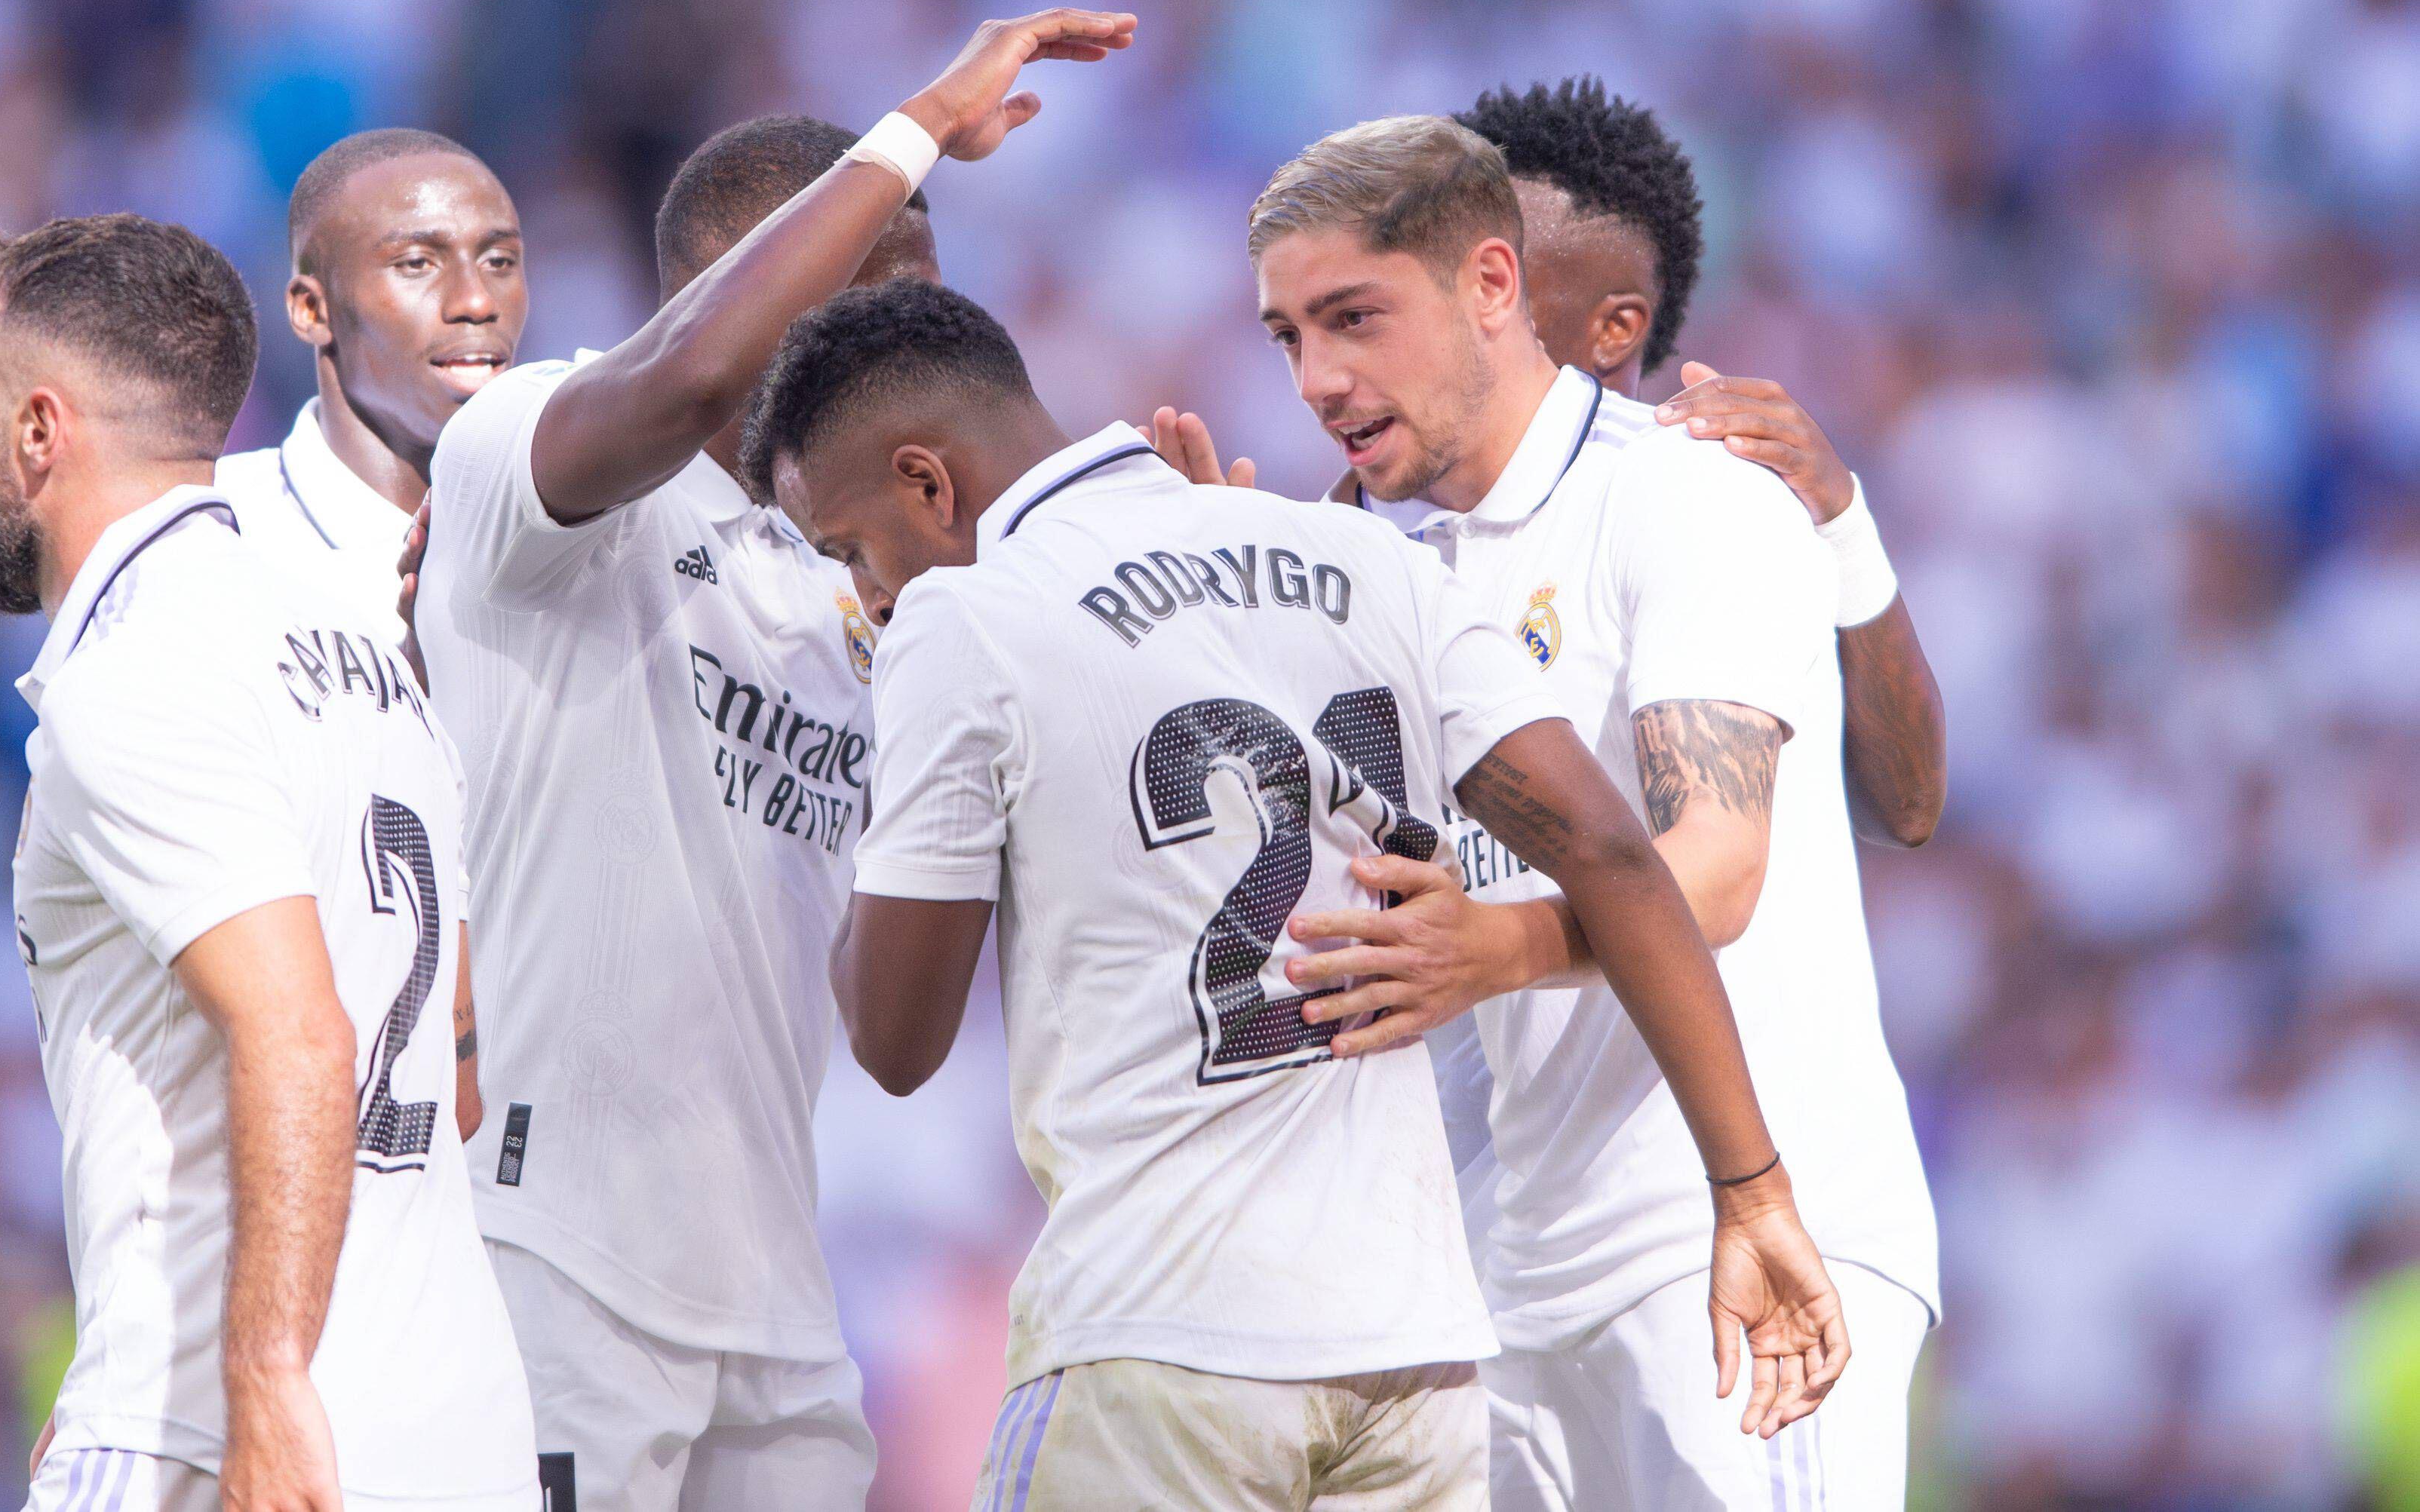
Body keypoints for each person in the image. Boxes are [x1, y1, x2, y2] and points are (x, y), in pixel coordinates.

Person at [747, 277, 1850, 1510]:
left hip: (1162, 1345)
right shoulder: (1360, 552)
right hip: (1417, 1362)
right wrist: (1750, 1190)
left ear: (927, 484)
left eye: (849, 551)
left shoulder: (963, 618)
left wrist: (885, 761)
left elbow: (895, 1039)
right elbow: (1613, 851)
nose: (864, 594)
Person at [411, 11, 1135, 1511]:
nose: (923, 347)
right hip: (551, 1255)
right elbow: (682, 388)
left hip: (775, 1295)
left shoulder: (885, 594)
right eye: (886, 296)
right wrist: (917, 126)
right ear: (754, 283)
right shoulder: (527, 456)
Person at [1219, 115, 1939, 1511]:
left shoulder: (1688, 495)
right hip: (1504, 1275)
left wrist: (1493, 950)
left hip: (1744, 1238)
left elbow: (1716, 867)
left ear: (1493, 288)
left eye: (1351, 320)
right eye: (1287, 337)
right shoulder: (1371, 564)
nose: (1317, 378)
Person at [0, 214, 533, 1512]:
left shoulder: (136, 670)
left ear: (41, 431)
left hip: (233, 1431)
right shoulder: (366, 655)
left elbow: (303, 1037)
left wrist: (260, 1382)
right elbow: (463, 1047)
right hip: (456, 1422)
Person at [1451, 77, 1945, 848]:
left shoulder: (1711, 489)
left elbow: (1906, 806)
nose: (1457, 309)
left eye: (1494, 281)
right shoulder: (1414, 525)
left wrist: (1843, 526)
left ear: (1615, 328)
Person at [220, 125, 527, 1142]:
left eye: (499, 259)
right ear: (311, 308)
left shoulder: (576, 538)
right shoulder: (222, 539)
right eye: (416, 263)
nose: (475, 299)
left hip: (549, 1204)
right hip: (317, 1171)